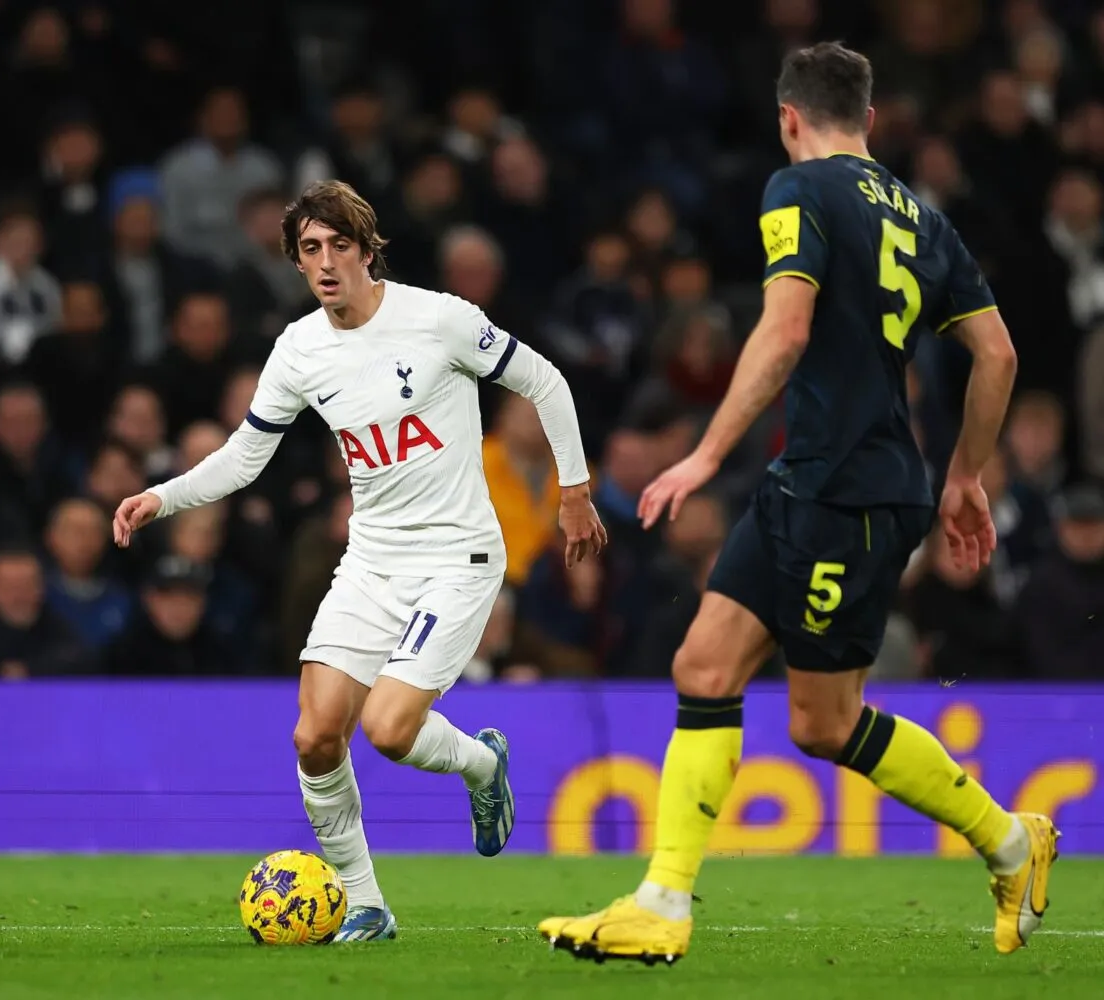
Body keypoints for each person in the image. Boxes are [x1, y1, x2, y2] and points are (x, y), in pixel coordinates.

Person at [539, 42, 1055, 965]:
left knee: (824, 722)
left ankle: (1012, 842)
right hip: (813, 480)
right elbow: (1000, 354)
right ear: (868, 118)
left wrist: (703, 456)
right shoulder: (923, 218)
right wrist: (967, 475)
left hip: (850, 492)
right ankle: (662, 902)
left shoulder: (799, 190)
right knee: (703, 666)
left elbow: (784, 330)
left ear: (788, 118)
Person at [114, 180, 604, 941]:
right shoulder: (299, 349)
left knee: (388, 727)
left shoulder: (438, 319)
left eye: (339, 245)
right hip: (372, 563)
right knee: (315, 737)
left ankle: (482, 766)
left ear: (368, 251)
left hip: (457, 558)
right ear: (295, 261)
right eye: (310, 248)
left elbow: (544, 379)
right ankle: (366, 904)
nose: (326, 261)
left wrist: (574, 489)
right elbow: (246, 455)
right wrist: (162, 497)